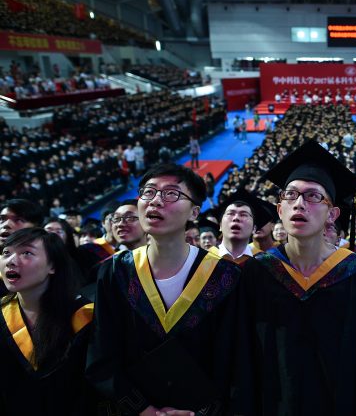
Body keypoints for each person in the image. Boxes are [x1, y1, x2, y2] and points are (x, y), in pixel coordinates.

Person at [85, 163, 254, 415]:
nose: (155, 201)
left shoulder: (224, 277)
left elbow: (236, 361)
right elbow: (102, 356)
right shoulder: (115, 272)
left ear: (194, 212)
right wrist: (144, 410)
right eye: (148, 192)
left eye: (171, 193)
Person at [249, 141, 356, 415]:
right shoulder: (258, 272)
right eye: (291, 195)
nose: (299, 204)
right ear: (279, 209)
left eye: (313, 196)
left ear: (333, 214)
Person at [0, 228, 95, 414]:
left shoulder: (85, 317)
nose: (11, 261)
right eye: (6, 253)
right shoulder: (3, 314)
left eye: (26, 253)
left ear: (53, 266)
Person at [213, 188, 274, 264]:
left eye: (243, 215)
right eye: (230, 213)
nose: (236, 218)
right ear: (220, 225)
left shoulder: (268, 263)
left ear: (254, 229)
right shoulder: (203, 260)